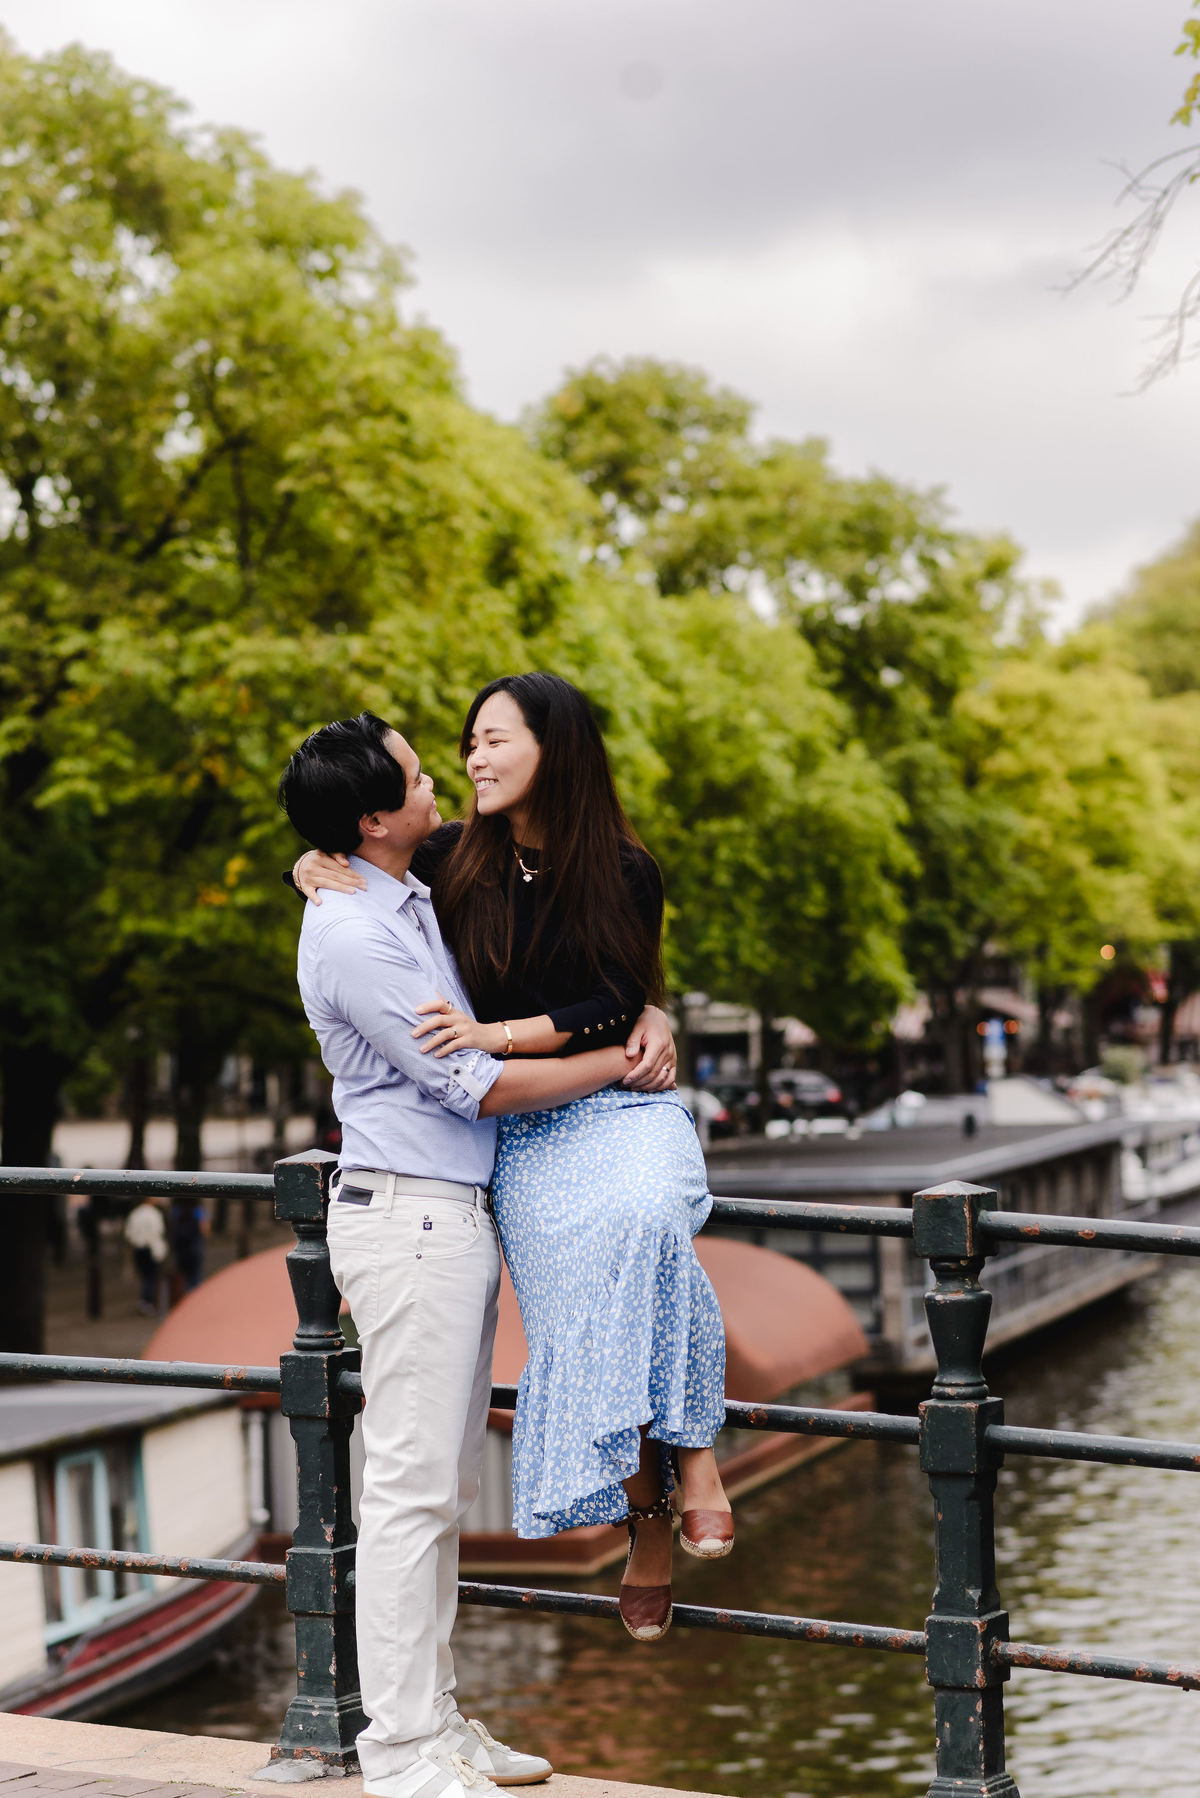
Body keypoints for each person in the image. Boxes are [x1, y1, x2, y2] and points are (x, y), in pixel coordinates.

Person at [293, 674, 732, 1649]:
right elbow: (363, 860)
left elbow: (618, 998)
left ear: (555, 748)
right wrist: (310, 863)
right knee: (588, 1280)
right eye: (465, 747)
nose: (473, 762)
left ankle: (695, 1450)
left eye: (494, 740)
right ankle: (651, 1517)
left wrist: (552, 1027)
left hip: (624, 1099)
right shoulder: (452, 858)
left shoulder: (624, 867)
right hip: (524, 1126)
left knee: (653, 1220)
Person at [279, 711, 665, 1798]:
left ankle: (435, 1720)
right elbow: (480, 1084)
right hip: (410, 1216)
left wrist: (646, 1009)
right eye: (416, 775)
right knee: (408, 1491)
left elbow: (558, 969)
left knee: (435, 1487)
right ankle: (400, 1750)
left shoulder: (396, 892)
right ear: (374, 816)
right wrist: (622, 1061)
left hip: (445, 1212)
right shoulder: (358, 932)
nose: (440, 781)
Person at [123, 1197, 167, 1314]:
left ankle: (144, 1300)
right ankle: (147, 1301)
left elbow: (129, 1233)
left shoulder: (135, 1213)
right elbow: (158, 1232)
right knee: (150, 1276)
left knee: (144, 1275)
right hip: (150, 1249)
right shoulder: (154, 1214)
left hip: (139, 1248)